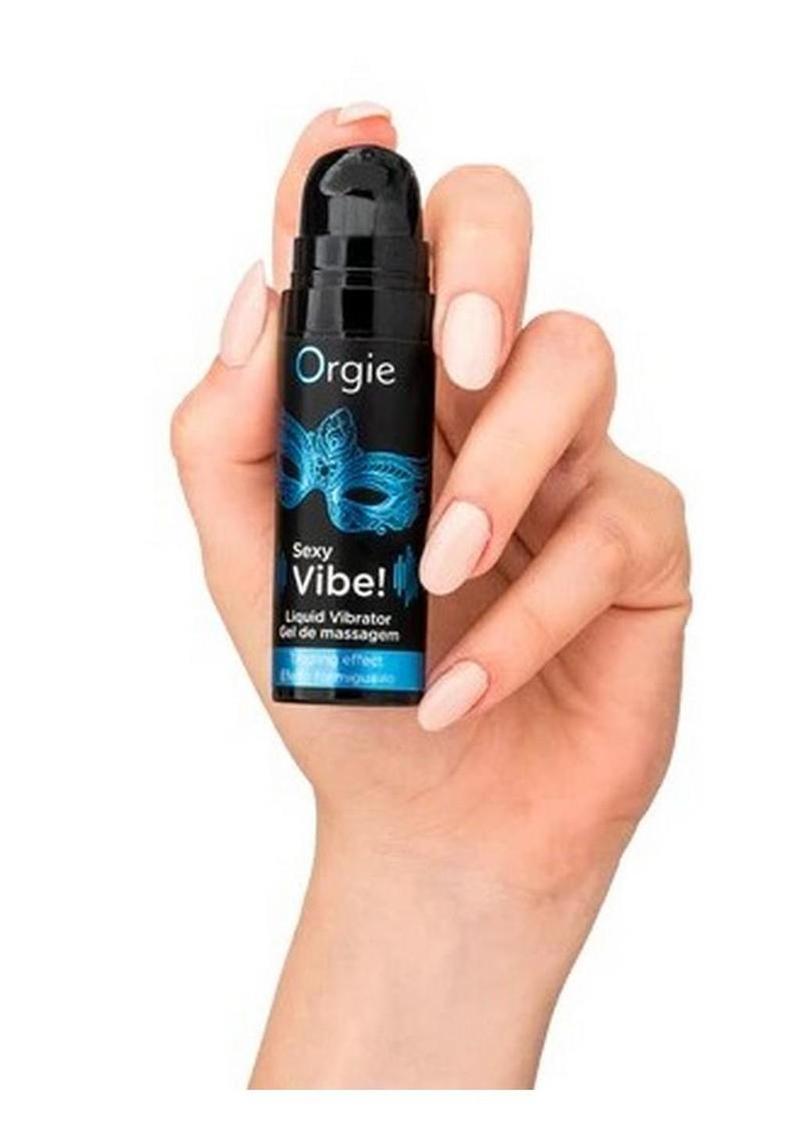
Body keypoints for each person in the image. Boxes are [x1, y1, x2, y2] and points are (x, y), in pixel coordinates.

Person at [171, 104, 691, 1089]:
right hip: (373, 697)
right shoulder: (309, 356)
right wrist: (414, 854)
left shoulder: (357, 357)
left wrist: (448, 863)